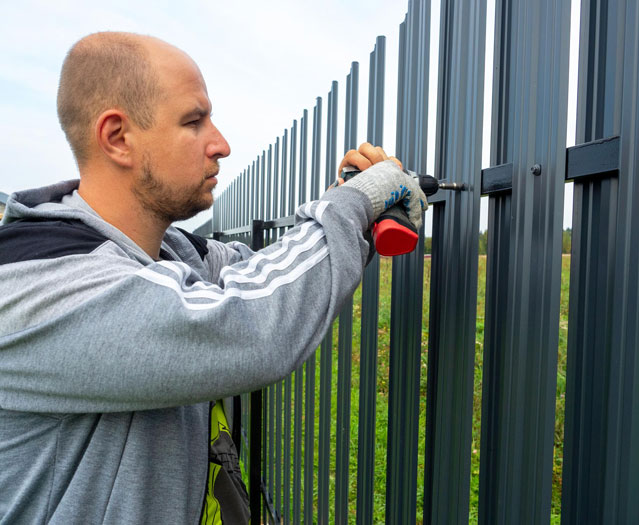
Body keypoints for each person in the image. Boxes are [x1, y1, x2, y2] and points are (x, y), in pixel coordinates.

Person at [0, 32, 426, 524]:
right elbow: (250, 322)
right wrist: (353, 207)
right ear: (117, 137)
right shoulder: (38, 283)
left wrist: (348, 203)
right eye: (193, 121)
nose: (220, 144)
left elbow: (270, 274)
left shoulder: (165, 253)